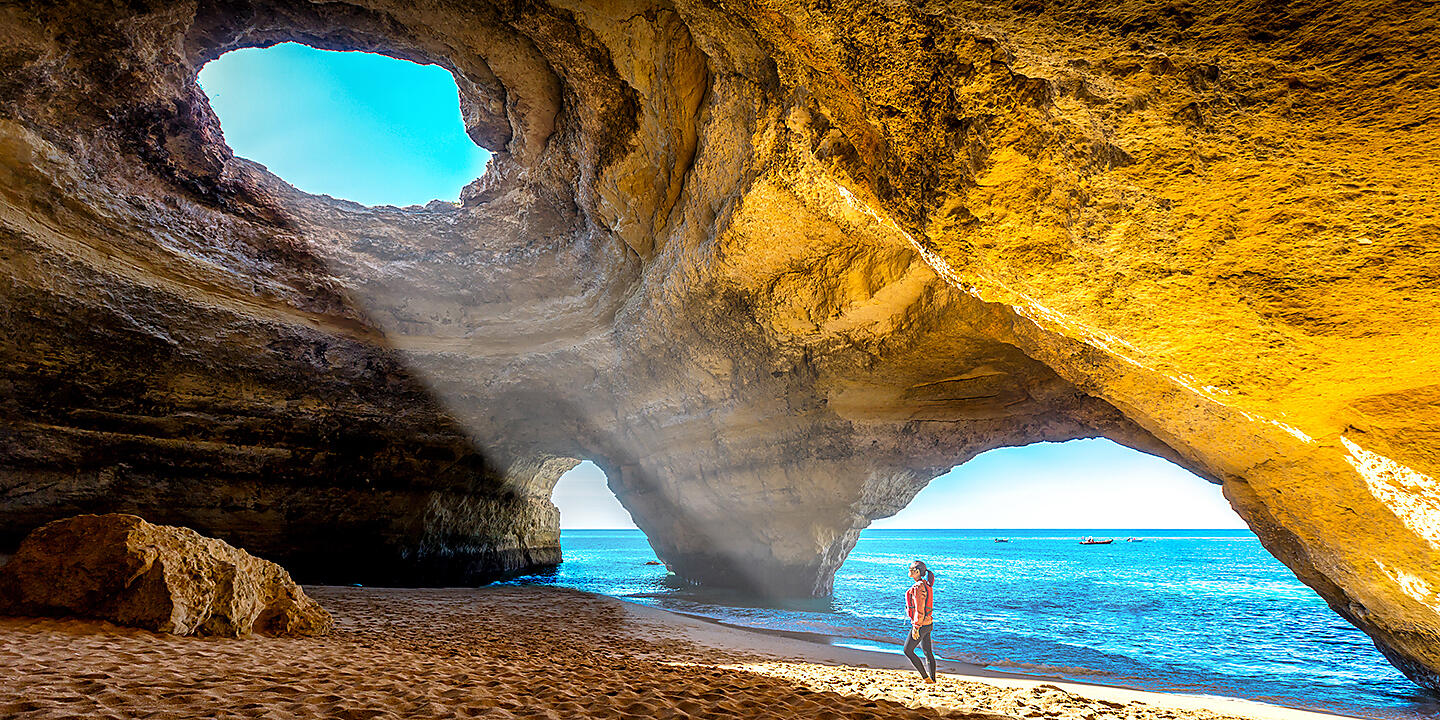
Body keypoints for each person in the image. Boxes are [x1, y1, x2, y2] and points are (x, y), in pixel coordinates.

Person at [903, 559, 937, 683]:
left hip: (921, 624)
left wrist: (916, 626)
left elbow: (919, 609)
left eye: (910, 569)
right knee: (928, 652)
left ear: (917, 572)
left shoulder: (918, 587)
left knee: (908, 650)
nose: (909, 571)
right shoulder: (927, 584)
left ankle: (926, 678)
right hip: (929, 623)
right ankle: (933, 679)